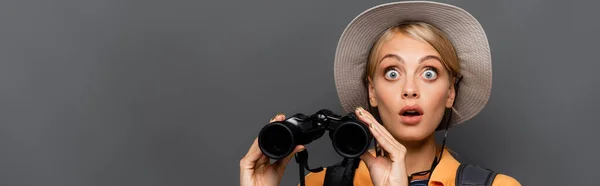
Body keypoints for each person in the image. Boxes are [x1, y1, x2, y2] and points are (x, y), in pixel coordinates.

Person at [240, 1, 521, 186]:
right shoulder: (319, 184)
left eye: (429, 73)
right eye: (392, 73)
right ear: (372, 92)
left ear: (451, 92)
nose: (410, 90)